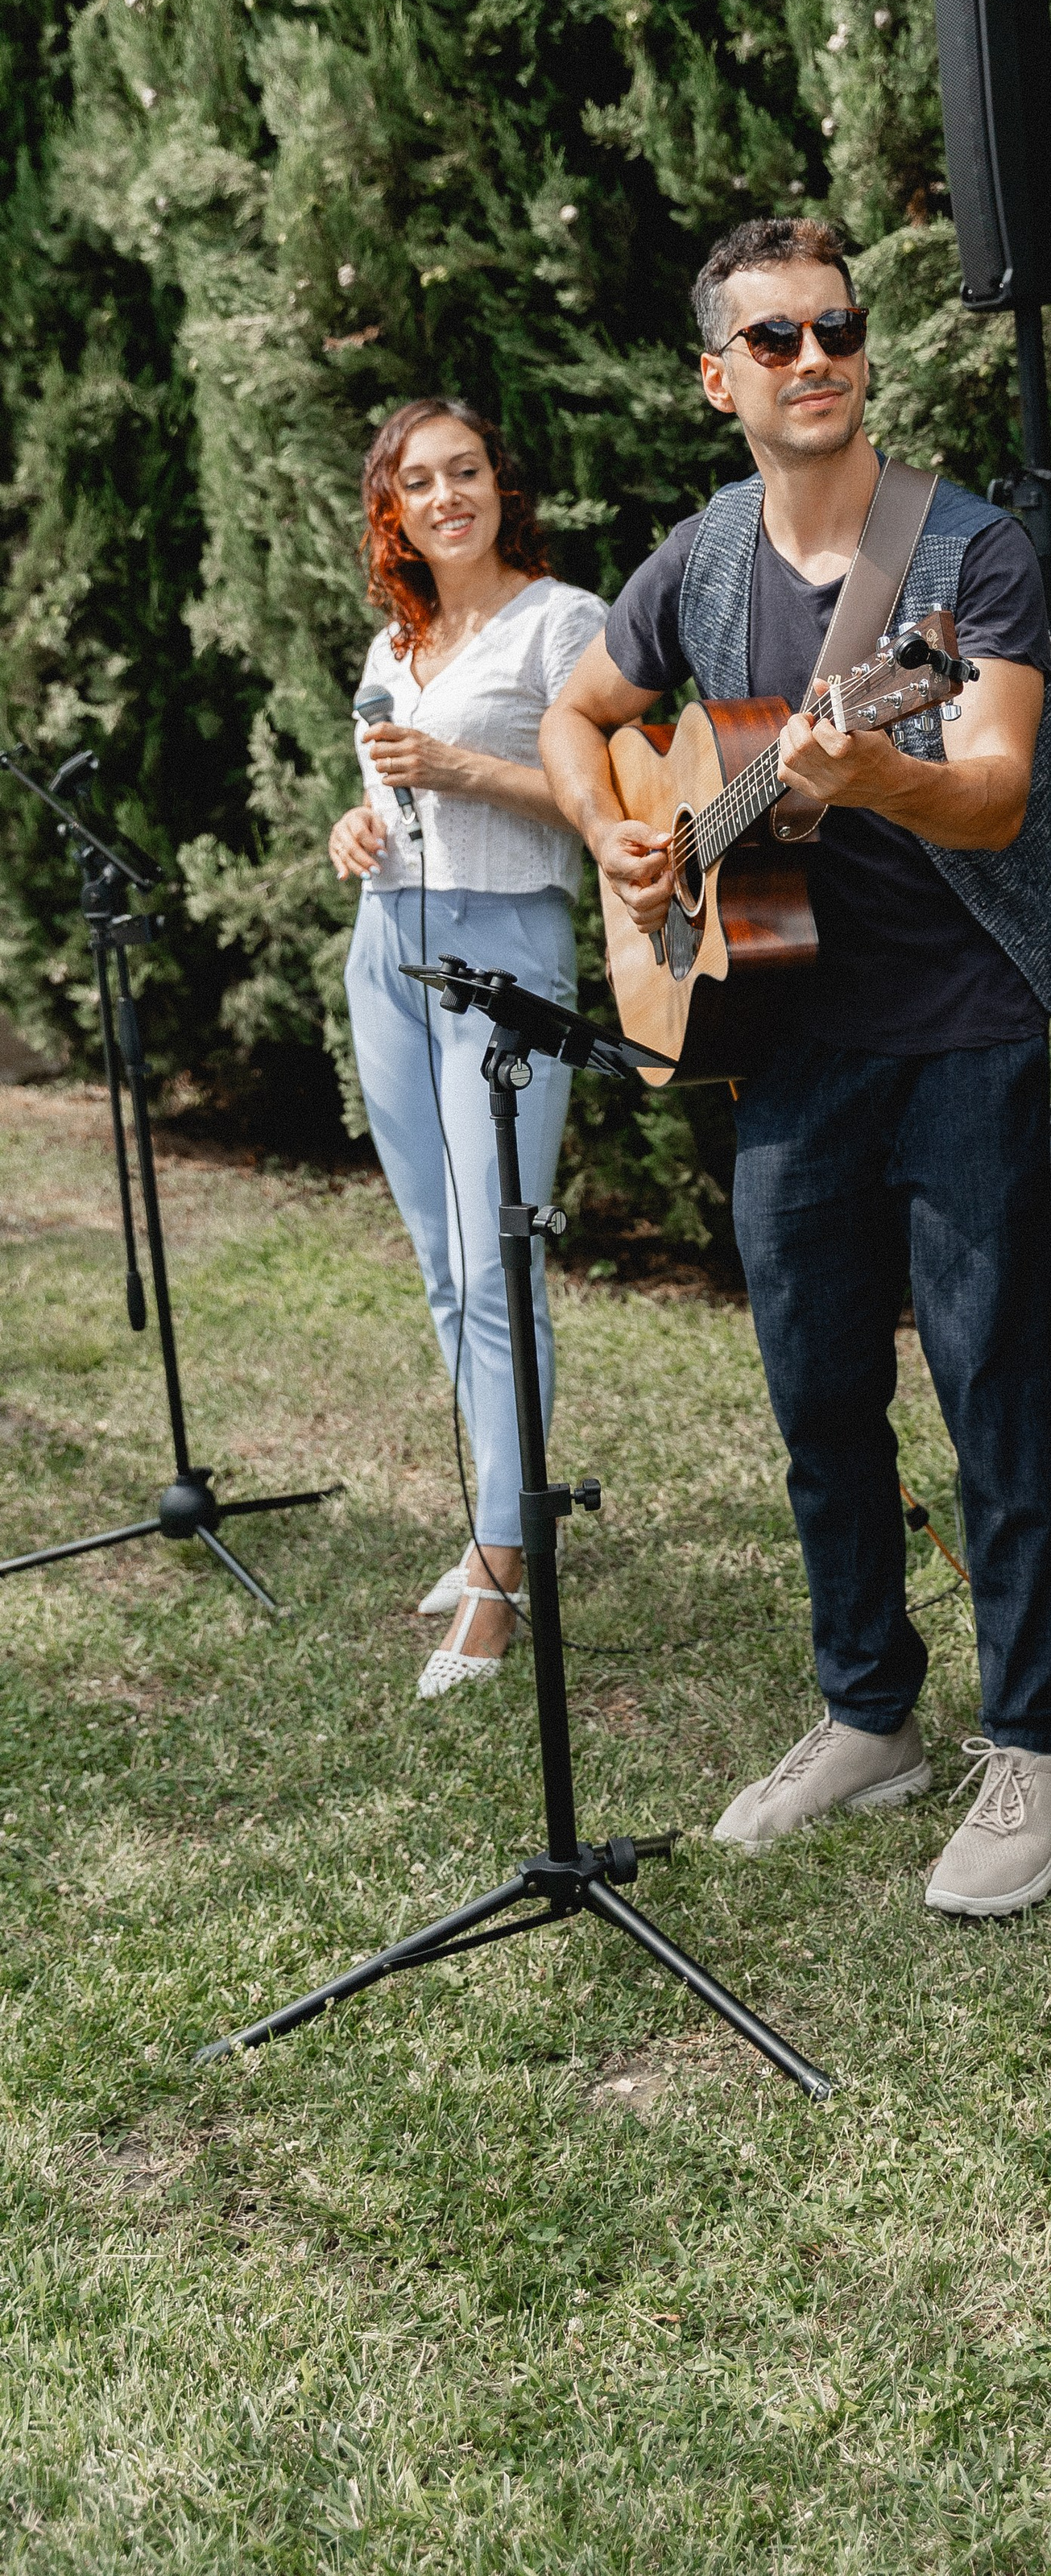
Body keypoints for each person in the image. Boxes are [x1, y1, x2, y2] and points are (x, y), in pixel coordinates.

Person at [539, 213, 1051, 1918]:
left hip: (963, 1022)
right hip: (780, 1036)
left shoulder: (968, 556)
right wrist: (626, 844)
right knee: (814, 1396)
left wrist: (878, 779)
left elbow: (991, 782)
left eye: (835, 329)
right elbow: (578, 717)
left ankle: (1035, 1752)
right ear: (718, 377)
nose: (814, 360)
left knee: (993, 1386)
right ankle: (869, 1711)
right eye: (772, 340)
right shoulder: (699, 559)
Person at [329, 397, 605, 1700]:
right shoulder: (398, 637)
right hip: (387, 947)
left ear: (502, 486)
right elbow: (388, 788)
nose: (448, 496)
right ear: (394, 509)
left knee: (500, 1265)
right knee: (445, 1265)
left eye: (468, 472)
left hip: (506, 955)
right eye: (420, 481)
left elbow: (603, 800)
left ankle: (507, 1561)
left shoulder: (566, 624)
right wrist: (358, 826)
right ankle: (501, 1513)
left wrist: (458, 769)